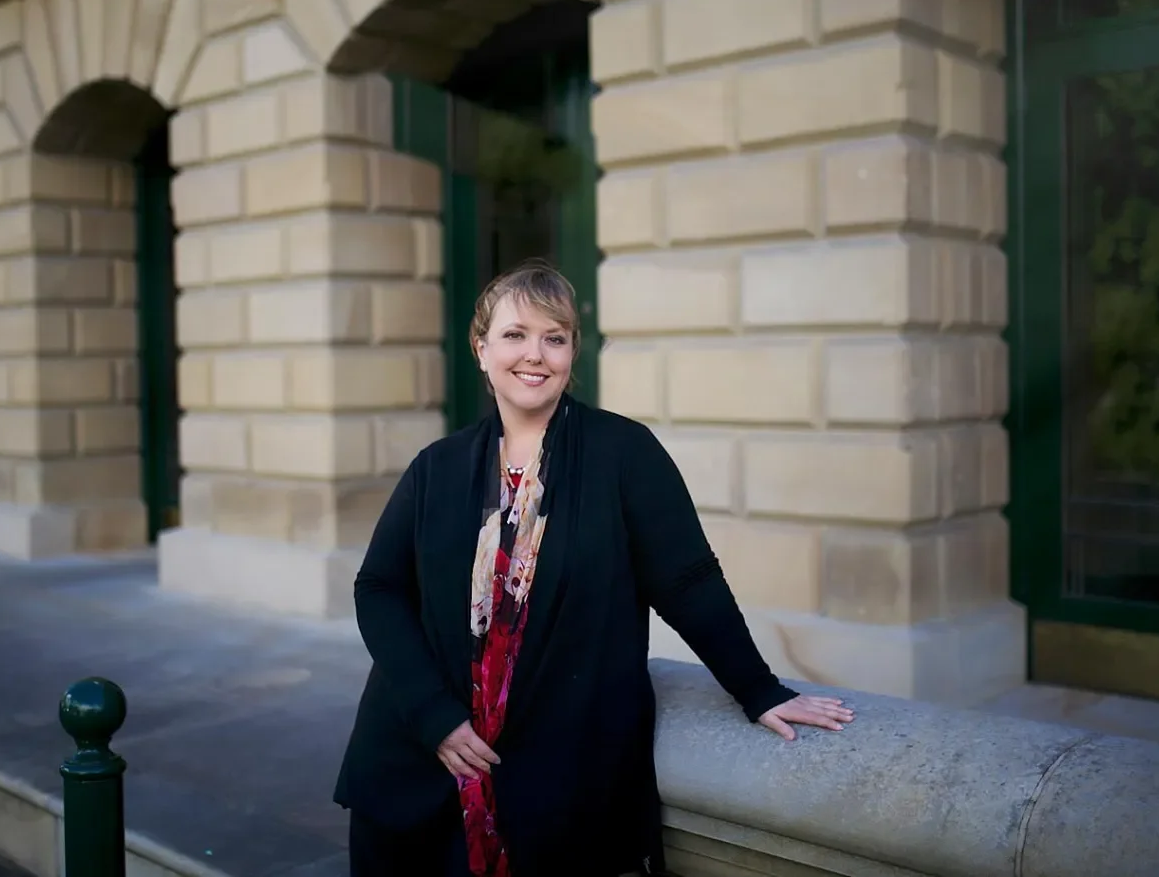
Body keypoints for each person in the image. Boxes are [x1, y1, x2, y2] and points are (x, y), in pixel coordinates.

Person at [333, 260, 853, 877]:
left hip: (557, 776)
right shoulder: (434, 467)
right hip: (418, 770)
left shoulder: (625, 454)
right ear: (481, 350)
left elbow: (688, 582)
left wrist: (759, 690)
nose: (536, 354)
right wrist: (431, 713)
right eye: (515, 334)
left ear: (572, 352)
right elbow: (379, 588)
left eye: (555, 337)